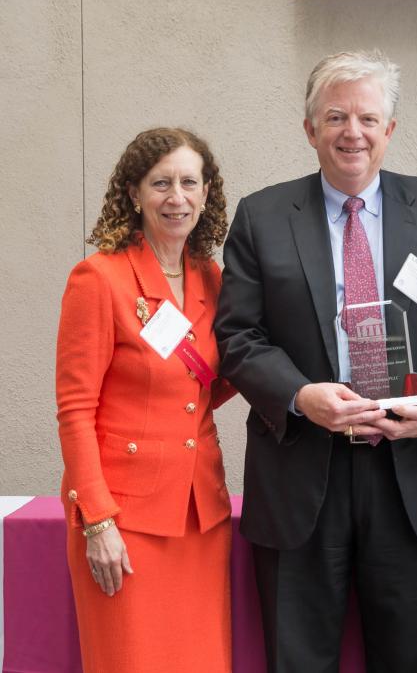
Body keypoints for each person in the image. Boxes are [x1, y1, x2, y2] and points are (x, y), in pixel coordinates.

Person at [214, 49, 417, 672]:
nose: (353, 133)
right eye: (336, 117)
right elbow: (238, 335)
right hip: (300, 470)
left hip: (412, 473)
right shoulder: (261, 217)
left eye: (368, 118)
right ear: (309, 129)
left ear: (389, 129)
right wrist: (300, 396)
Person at [55, 127, 236, 672]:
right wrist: (97, 521)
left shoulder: (211, 277)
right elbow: (75, 411)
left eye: (189, 183)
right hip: (124, 521)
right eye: (161, 183)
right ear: (134, 193)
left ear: (206, 193)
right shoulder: (99, 278)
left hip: (200, 517)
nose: (176, 197)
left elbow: (209, 385)